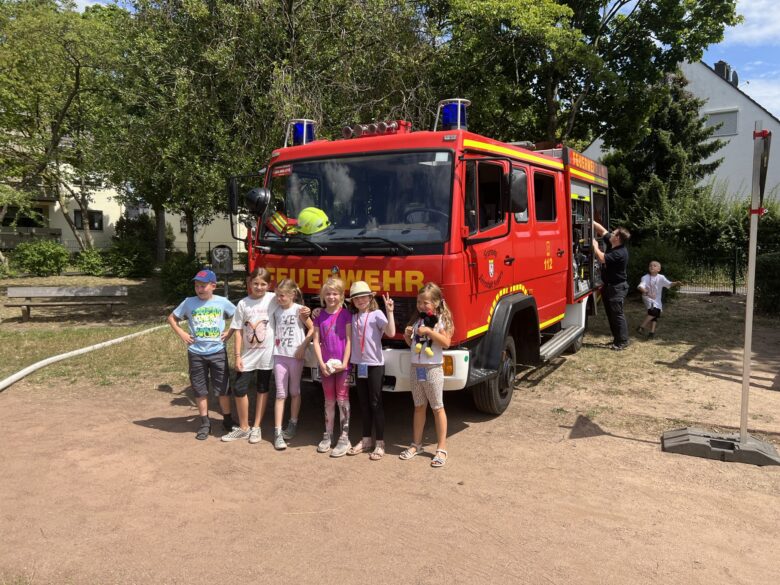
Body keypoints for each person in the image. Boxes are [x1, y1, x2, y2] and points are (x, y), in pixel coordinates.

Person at [222, 268, 309, 444]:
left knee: (263, 388)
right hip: (248, 354)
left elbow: (291, 301)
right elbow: (238, 329)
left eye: (263, 284)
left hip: (268, 354)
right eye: (255, 283)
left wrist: (307, 310)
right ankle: (244, 428)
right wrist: (237, 355)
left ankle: (256, 427)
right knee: (239, 388)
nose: (259, 287)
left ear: (269, 285)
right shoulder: (243, 303)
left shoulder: (273, 298)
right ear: (249, 283)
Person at [167, 268, 236, 441]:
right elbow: (171, 318)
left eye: (203, 286)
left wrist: (229, 332)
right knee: (200, 389)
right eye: (197, 286)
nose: (199, 289)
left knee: (223, 388)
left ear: (213, 286)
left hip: (217, 351)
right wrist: (182, 333)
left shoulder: (222, 302)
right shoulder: (189, 302)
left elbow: (239, 317)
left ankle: (227, 420)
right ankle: (205, 423)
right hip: (196, 353)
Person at [400, 283, 453, 468]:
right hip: (416, 368)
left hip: (433, 369)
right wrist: (407, 336)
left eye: (425, 302)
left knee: (437, 407)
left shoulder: (439, 321)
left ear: (436, 303)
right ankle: (416, 445)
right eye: (419, 302)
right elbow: (413, 345)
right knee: (418, 407)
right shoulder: (417, 320)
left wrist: (430, 331)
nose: (421, 306)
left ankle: (441, 448)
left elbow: (446, 342)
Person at [346, 281, 396, 461]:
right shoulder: (352, 316)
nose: (360, 300)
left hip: (374, 365)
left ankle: (380, 443)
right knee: (363, 403)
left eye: (363, 297)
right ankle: (366, 440)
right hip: (359, 365)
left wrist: (390, 312)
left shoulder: (377, 314)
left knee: (376, 403)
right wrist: (316, 311)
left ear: (370, 297)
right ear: (352, 301)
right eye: (356, 298)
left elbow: (391, 332)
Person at [312, 277, 353, 457]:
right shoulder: (319, 315)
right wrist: (321, 364)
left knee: (342, 400)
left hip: (343, 367)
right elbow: (316, 341)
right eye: (328, 294)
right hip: (326, 367)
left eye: (335, 293)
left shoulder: (346, 314)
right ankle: (328, 434)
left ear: (341, 295)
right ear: (323, 296)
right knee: (329, 400)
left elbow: (349, 340)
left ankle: (344, 437)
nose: (331, 297)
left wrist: (345, 363)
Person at [271, 279, 314, 450]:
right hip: (279, 355)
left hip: (295, 356)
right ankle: (277, 432)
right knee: (280, 394)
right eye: (277, 295)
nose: (279, 299)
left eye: (282, 296)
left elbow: (312, 329)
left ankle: (293, 423)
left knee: (294, 391)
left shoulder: (299, 310)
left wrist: (303, 346)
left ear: (292, 295)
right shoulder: (275, 310)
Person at [592, 222, 631, 350]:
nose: (611, 234)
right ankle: (617, 339)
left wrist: (595, 246)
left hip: (617, 287)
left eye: (613, 233)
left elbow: (602, 258)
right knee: (611, 314)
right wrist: (590, 221)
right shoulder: (612, 243)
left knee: (617, 314)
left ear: (618, 238)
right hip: (609, 286)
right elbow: (602, 231)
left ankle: (623, 341)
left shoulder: (620, 252)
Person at [637, 261, 682, 339]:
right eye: (650, 265)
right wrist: (648, 293)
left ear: (659, 269)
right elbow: (640, 287)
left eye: (654, 266)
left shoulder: (661, 277)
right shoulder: (645, 277)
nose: (652, 267)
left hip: (657, 299)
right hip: (648, 298)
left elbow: (669, 284)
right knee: (653, 312)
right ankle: (641, 327)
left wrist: (676, 283)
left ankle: (652, 333)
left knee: (655, 314)